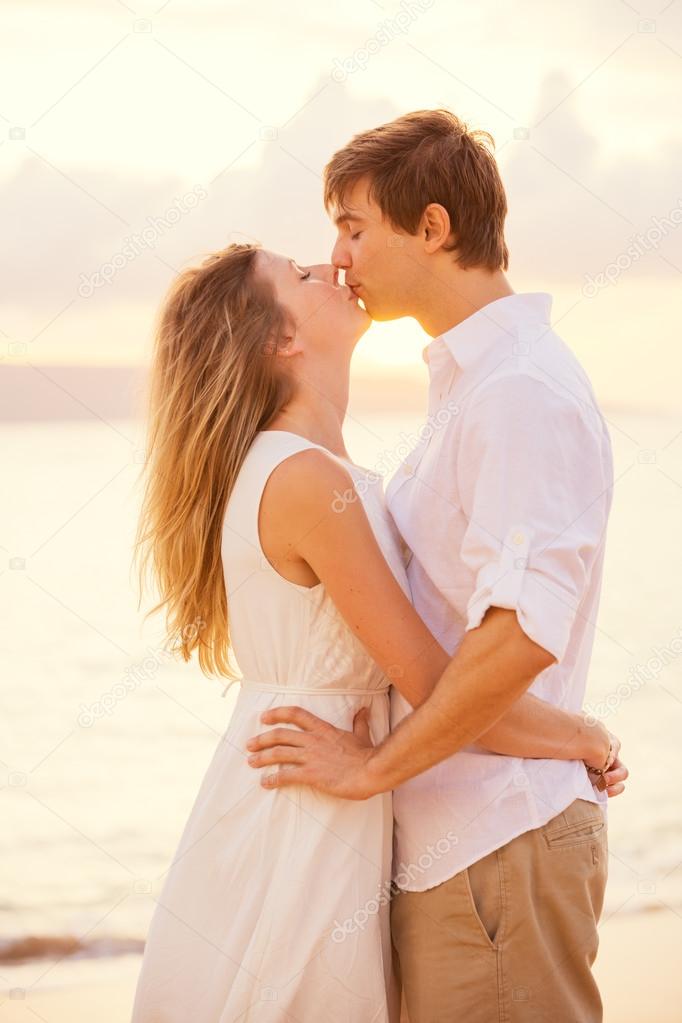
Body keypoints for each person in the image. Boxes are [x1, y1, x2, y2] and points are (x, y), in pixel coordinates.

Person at [131, 235, 623, 1022]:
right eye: (300, 274)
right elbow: (436, 682)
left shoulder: (304, 467)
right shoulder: (305, 479)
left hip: (318, 789)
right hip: (308, 804)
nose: (331, 265)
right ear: (282, 337)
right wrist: (585, 737)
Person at [244, 110, 629, 1022]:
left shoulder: (520, 392)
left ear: (431, 227)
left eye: (353, 224)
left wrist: (368, 768)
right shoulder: (471, 385)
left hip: (498, 840)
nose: (338, 256)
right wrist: (576, 732)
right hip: (464, 846)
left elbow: (518, 639)